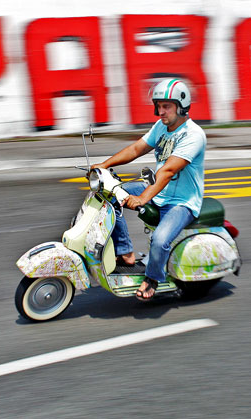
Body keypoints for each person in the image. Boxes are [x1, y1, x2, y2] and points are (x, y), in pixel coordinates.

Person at [91, 79, 206, 301]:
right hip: (158, 191)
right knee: (110, 194)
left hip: (182, 202)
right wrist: (104, 165)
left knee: (161, 239)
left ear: (181, 106)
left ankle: (152, 279)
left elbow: (168, 170)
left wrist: (142, 198)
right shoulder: (161, 127)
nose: (160, 111)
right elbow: (137, 148)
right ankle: (125, 252)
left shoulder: (193, 135)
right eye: (158, 106)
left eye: (166, 106)